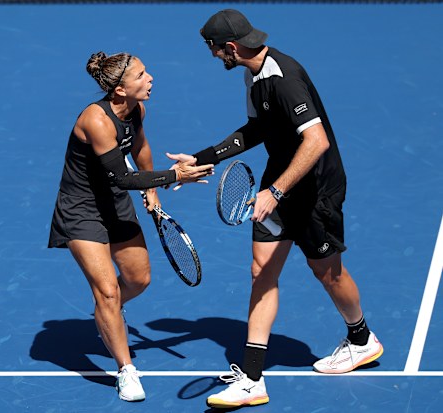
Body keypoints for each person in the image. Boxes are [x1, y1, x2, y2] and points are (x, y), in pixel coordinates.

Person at [168, 9, 384, 409]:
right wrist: (203, 157)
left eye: (213, 48)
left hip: (315, 189)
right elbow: (256, 130)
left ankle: (361, 339)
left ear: (230, 47)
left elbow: (317, 141)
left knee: (327, 272)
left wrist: (276, 192)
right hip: (280, 180)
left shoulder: (283, 80)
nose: (213, 55)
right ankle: (252, 379)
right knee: (261, 272)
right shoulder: (253, 76)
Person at [48, 51, 213, 402]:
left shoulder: (137, 110)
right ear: (120, 89)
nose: (150, 78)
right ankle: (126, 369)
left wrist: (153, 192)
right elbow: (122, 177)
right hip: (81, 211)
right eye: (141, 75)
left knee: (139, 279)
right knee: (107, 291)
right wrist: (174, 176)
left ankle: (107, 313)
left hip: (116, 205)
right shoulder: (96, 120)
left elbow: (140, 147)